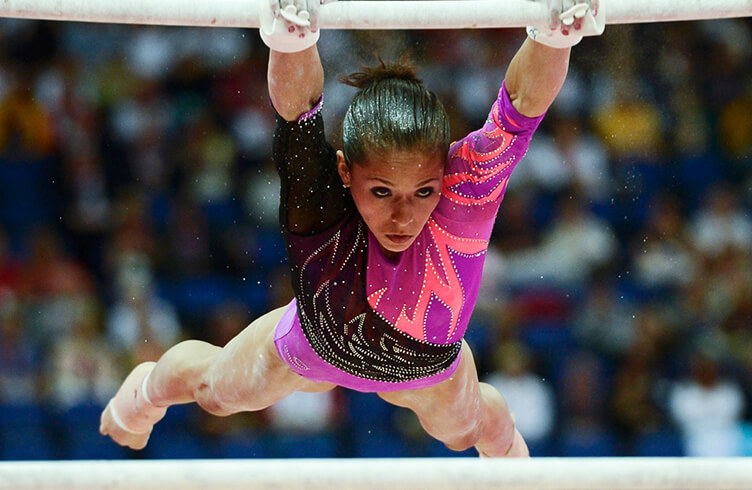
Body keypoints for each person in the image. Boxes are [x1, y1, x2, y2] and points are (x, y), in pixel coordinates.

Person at [100, 0, 604, 457]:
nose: (403, 217)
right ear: (345, 173)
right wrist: (292, 37)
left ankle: (514, 456)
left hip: (426, 370)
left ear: (445, 178)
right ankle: (143, 393)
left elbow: (518, 111)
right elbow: (298, 111)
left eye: (424, 192)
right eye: (381, 192)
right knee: (214, 394)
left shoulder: (468, 188)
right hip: (311, 347)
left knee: (465, 431)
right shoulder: (321, 202)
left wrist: (554, 36)